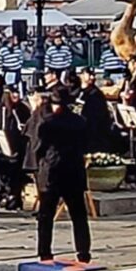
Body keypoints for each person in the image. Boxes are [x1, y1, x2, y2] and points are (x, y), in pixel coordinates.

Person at [29, 87, 93, 262]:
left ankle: (45, 252)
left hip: (52, 174)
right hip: (74, 173)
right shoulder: (80, 122)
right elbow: (86, 146)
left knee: (46, 217)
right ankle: (83, 253)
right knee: (79, 216)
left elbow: (38, 148)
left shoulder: (46, 124)